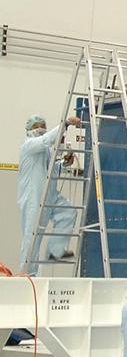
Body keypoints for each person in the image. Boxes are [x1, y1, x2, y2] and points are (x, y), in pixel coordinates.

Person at [18, 114, 82, 269]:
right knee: (32, 237)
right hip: (34, 198)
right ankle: (27, 273)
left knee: (68, 213)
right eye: (36, 126)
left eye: (43, 126)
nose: (40, 128)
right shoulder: (29, 146)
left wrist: (64, 163)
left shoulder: (46, 151)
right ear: (28, 130)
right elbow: (46, 140)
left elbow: (50, 169)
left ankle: (55, 250)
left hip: (50, 196)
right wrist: (66, 124)